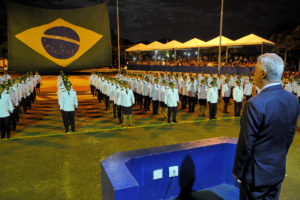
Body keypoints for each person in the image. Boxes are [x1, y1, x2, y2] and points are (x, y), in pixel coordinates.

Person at [233, 53, 299, 200]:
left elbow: (246, 144)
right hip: (277, 171)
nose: (253, 74)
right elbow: (289, 137)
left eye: (255, 71)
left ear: (263, 74)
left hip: (255, 176)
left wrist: (238, 171)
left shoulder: (255, 103)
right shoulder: (293, 100)